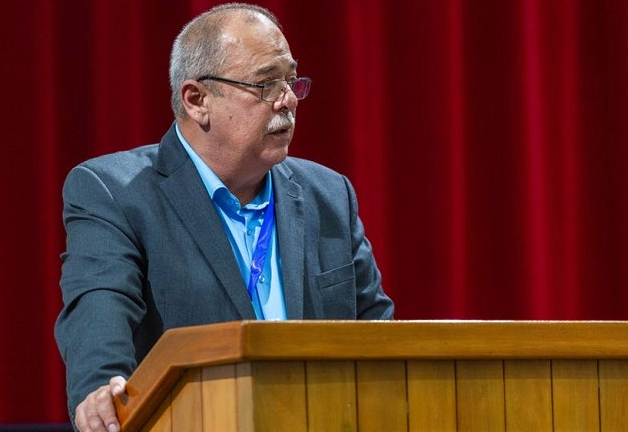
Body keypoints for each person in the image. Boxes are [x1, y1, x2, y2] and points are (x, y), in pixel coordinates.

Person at [54, 3, 394, 432]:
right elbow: (99, 310)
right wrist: (101, 391)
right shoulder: (116, 194)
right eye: (265, 83)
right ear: (197, 100)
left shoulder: (329, 195)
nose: (287, 99)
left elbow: (381, 340)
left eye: (289, 80)